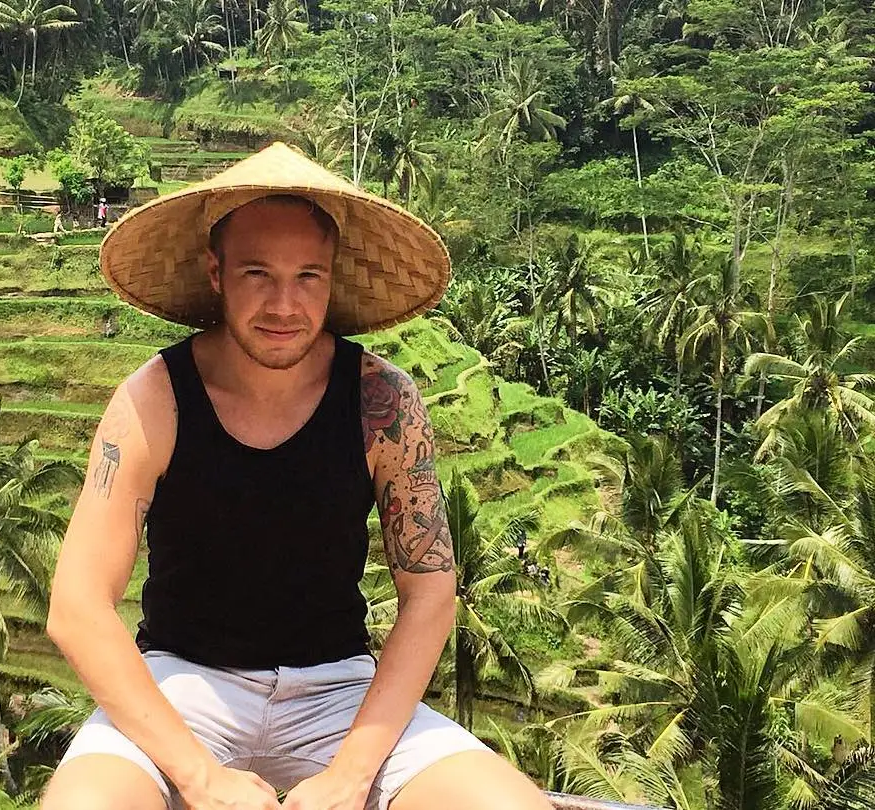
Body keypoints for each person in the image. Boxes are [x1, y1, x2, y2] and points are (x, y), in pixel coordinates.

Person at [42, 142, 553, 810]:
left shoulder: (382, 402)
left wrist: (350, 775)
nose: (284, 305)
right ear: (216, 273)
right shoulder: (153, 402)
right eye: (258, 274)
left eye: (308, 277)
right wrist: (199, 777)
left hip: (339, 692)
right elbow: (76, 606)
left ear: (333, 279)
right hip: (184, 683)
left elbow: (429, 591)